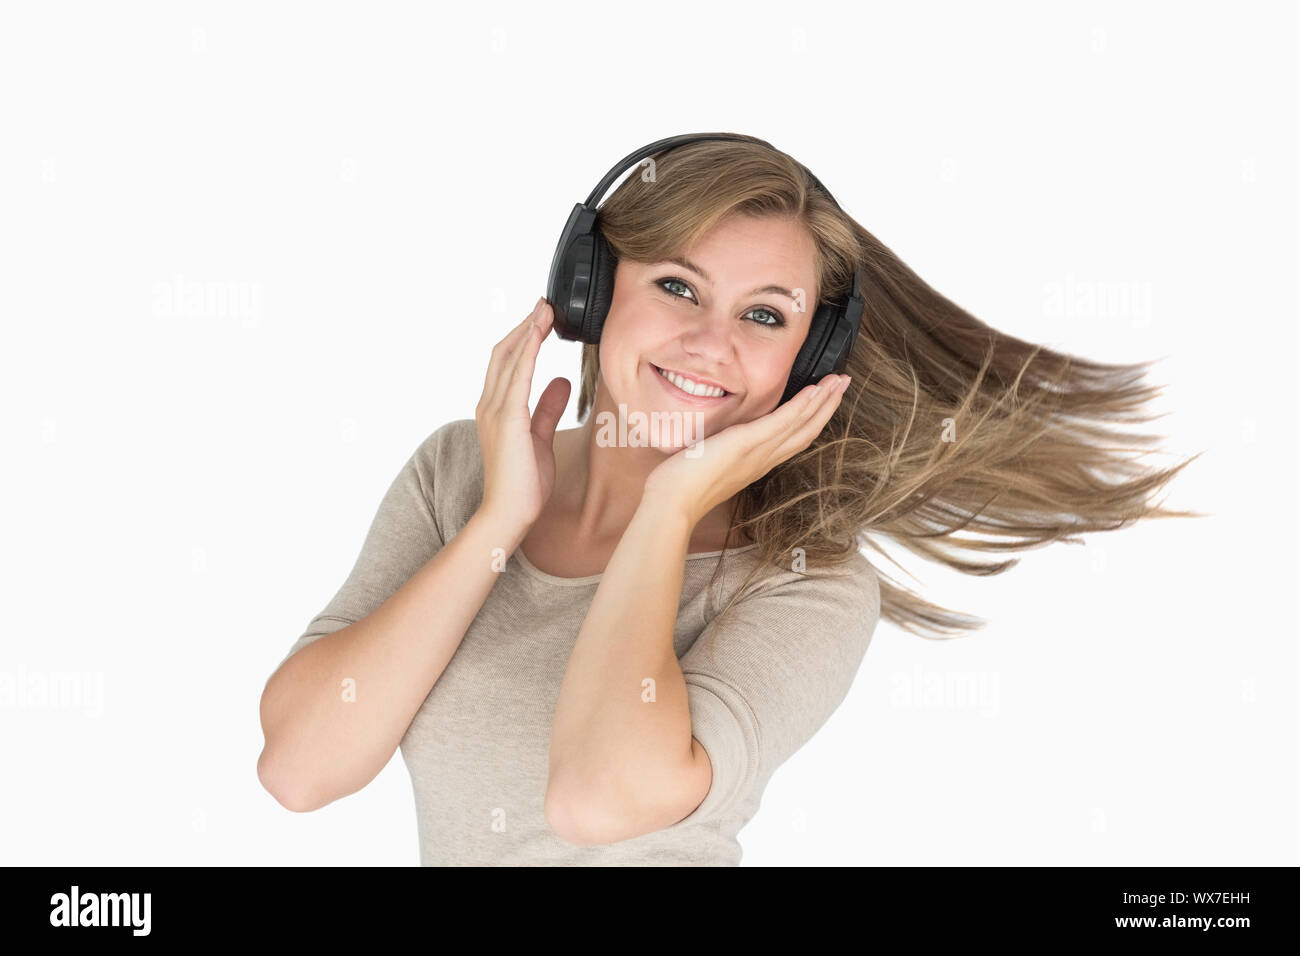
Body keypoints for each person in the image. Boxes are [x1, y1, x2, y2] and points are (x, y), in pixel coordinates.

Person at [257, 133, 1197, 865]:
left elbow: (595, 799)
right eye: (676, 287)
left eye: (764, 316)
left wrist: (667, 510)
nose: (712, 343)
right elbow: (300, 769)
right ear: (589, 293)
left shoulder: (807, 582)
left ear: (810, 359)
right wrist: (499, 523)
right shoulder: (459, 476)